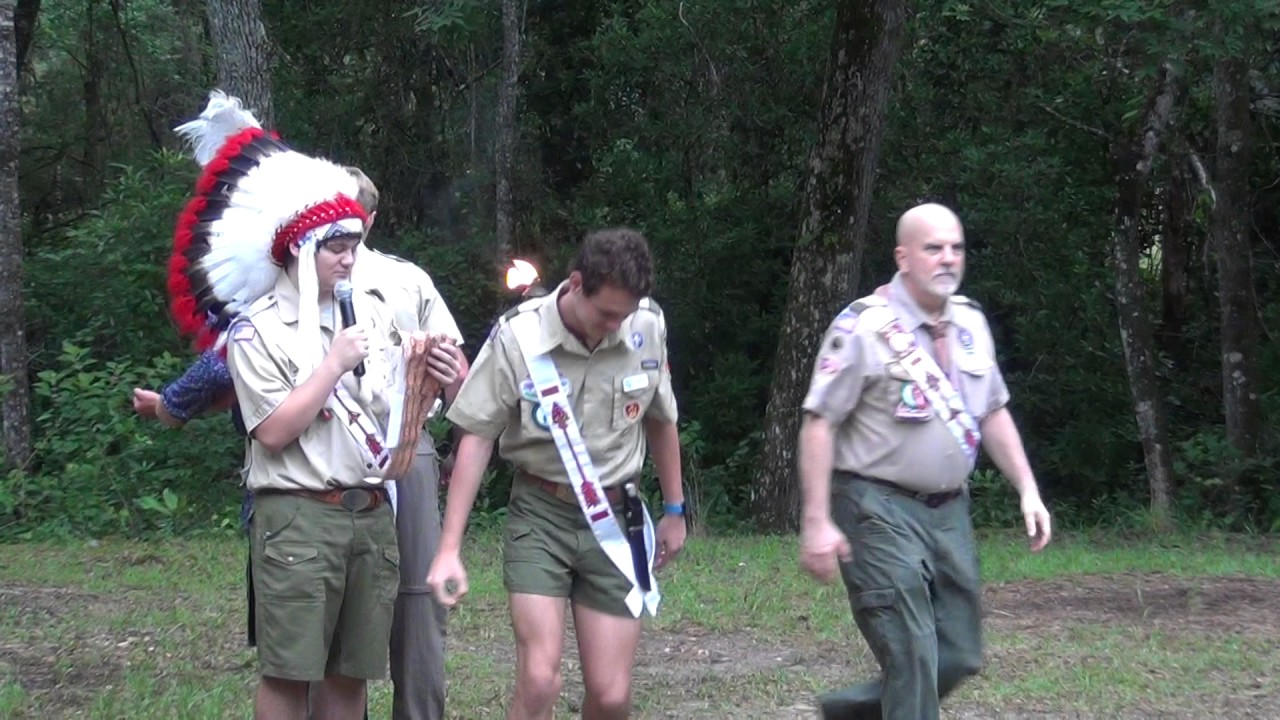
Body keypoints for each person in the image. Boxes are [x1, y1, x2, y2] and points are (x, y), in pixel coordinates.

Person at [164, 91, 463, 720]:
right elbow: (272, 434)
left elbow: (395, 412)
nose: (350, 259)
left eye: (354, 244)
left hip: (371, 514)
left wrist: (435, 375)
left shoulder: (375, 310)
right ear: (301, 251)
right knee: (289, 674)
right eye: (336, 248)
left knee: (351, 676)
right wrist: (331, 365)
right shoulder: (256, 331)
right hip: (298, 518)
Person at [797, 203, 1052, 720]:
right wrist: (817, 520)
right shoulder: (865, 327)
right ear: (903, 257)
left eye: (956, 248)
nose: (948, 259)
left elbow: (993, 411)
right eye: (933, 248)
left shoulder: (971, 322)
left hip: (948, 510)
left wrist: (1027, 487)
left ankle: (854, 714)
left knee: (958, 652)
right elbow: (819, 421)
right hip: (874, 505)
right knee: (912, 648)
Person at [427, 228, 688, 720]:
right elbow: (478, 436)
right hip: (540, 515)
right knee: (540, 679)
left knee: (611, 696)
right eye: (606, 313)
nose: (615, 326)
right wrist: (449, 549)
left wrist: (674, 509)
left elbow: (661, 416)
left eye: (625, 314)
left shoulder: (647, 325)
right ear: (574, 284)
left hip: (615, 517)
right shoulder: (520, 336)